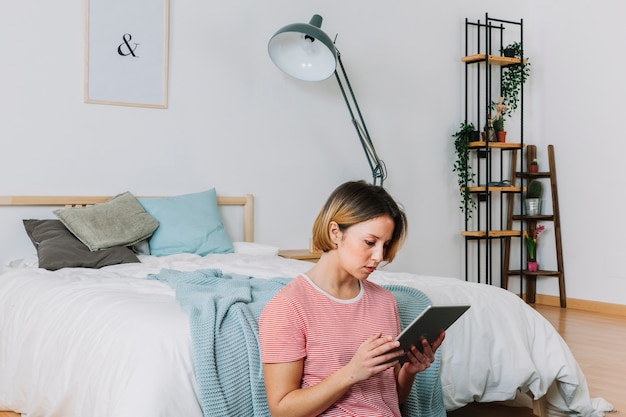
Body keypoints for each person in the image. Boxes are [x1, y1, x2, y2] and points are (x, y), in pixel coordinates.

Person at [259, 180, 445, 417]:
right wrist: (352, 372)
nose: (379, 256)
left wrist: (409, 370)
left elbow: (390, 397)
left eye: (385, 245)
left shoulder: (385, 302)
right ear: (335, 232)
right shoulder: (287, 307)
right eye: (370, 242)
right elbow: (282, 410)